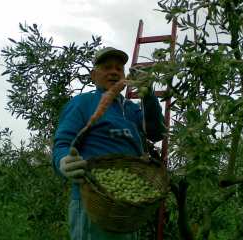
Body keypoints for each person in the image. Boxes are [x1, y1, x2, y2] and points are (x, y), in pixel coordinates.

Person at [52, 47, 166, 240]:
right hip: (93, 204)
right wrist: (63, 161)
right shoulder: (82, 103)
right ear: (93, 75)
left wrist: (148, 92)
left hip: (129, 207)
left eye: (119, 69)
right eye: (107, 67)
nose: (114, 72)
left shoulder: (130, 109)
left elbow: (156, 132)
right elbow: (62, 143)